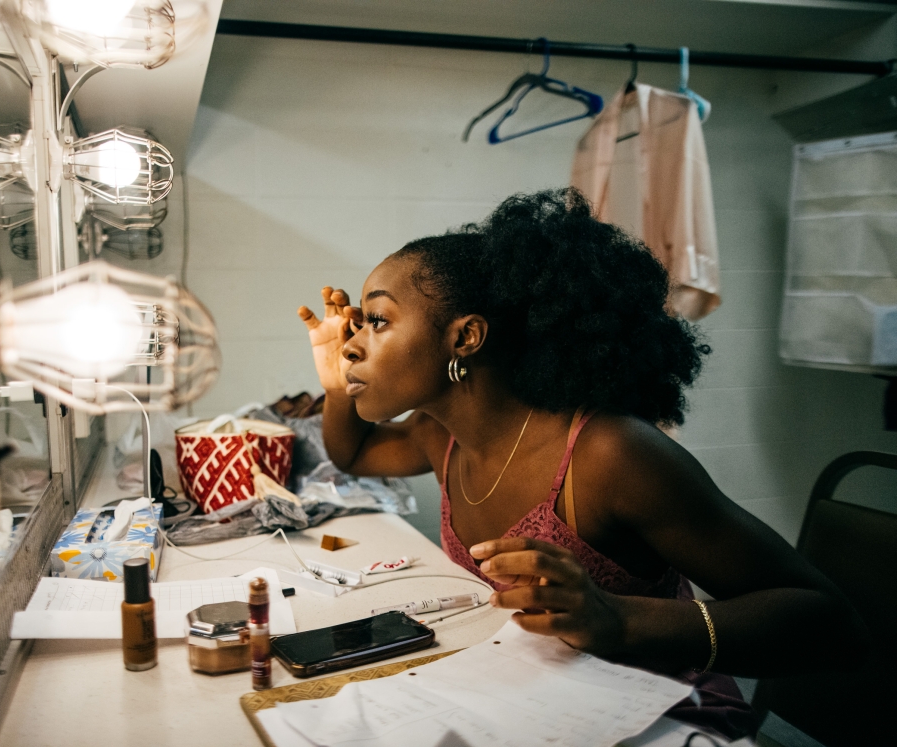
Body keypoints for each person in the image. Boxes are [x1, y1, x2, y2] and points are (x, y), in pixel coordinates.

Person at [296, 188, 867, 740]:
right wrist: (334, 380)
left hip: (662, 718)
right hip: (534, 705)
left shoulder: (609, 454)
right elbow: (353, 453)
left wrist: (616, 618)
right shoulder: (437, 435)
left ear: (465, 337)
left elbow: (828, 623)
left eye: (377, 321)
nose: (353, 342)